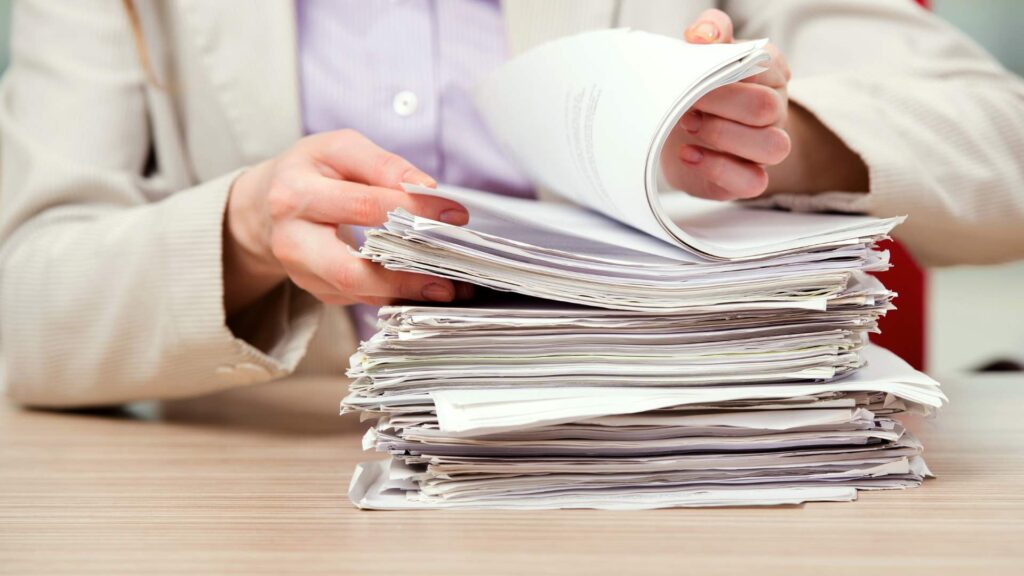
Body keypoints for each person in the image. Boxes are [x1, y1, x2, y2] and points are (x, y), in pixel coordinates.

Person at [1, 0, 1022, 407]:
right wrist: (239, 230)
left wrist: (770, 136)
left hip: (676, 472)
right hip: (268, 503)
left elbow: (998, 148)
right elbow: (26, 312)